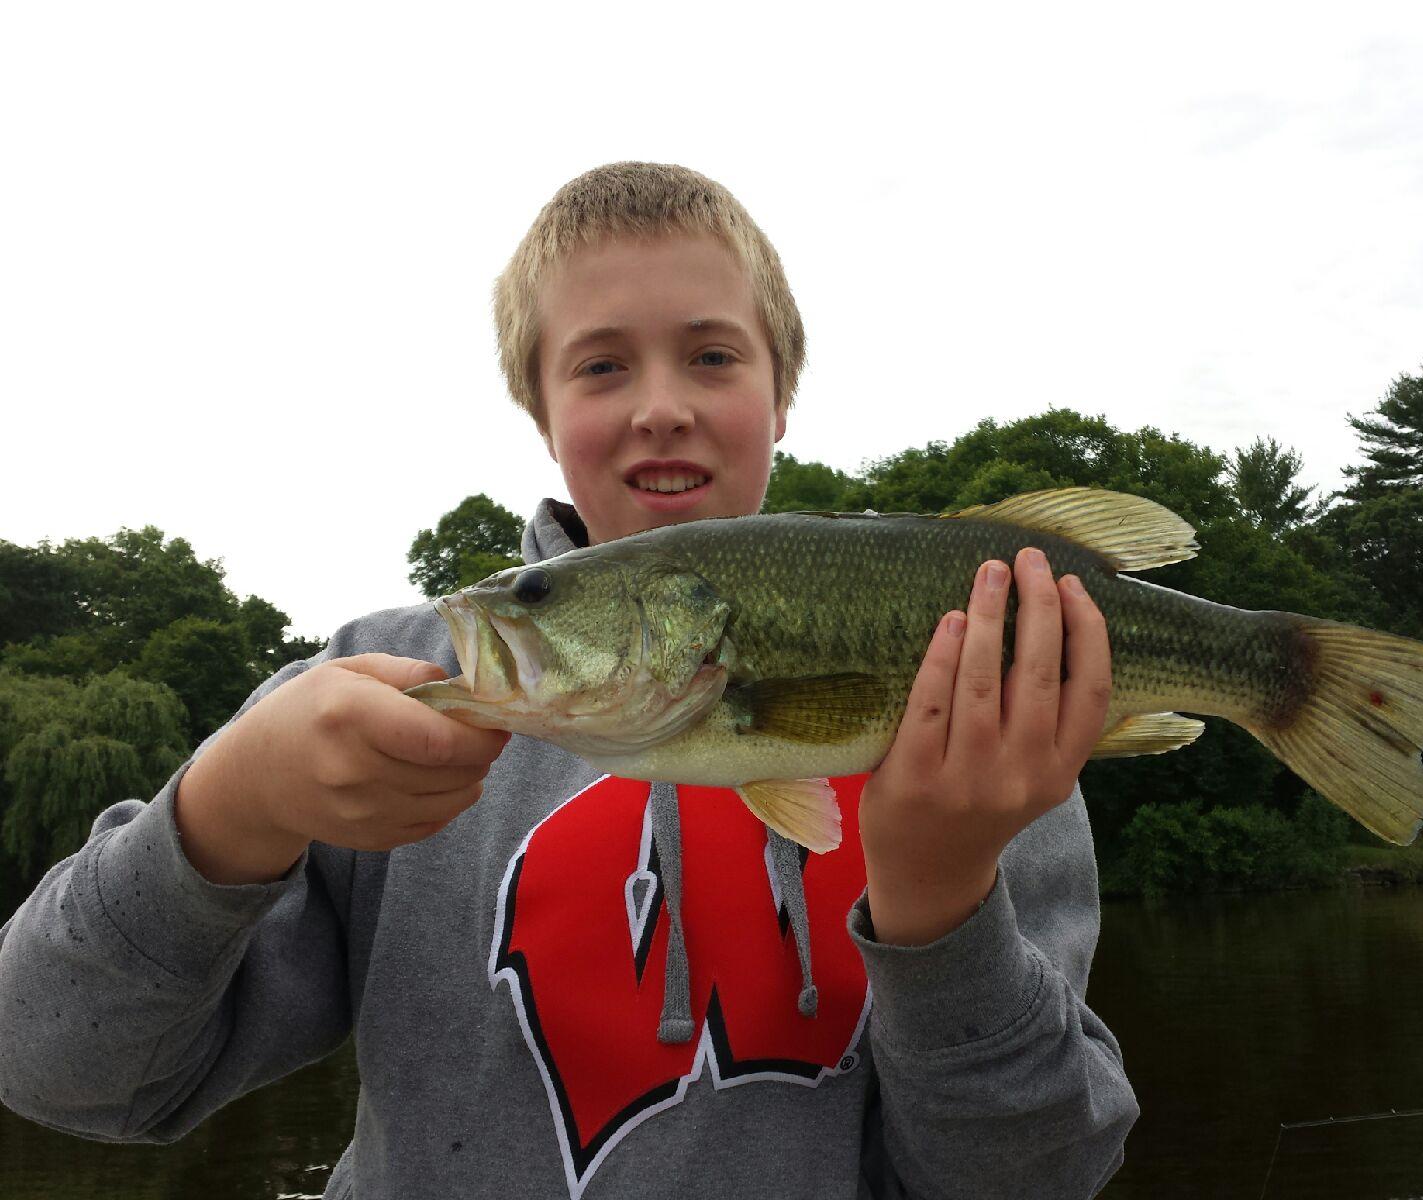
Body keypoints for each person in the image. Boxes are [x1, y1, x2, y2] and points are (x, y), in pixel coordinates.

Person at [0, 162, 1138, 1198]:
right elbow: (64, 1071)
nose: (659, 404)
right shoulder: (360, 703)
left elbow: (1029, 1178)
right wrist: (226, 810)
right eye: (600, 365)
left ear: (779, 393)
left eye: (711, 355)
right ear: (542, 413)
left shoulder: (991, 733)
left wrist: (942, 904)